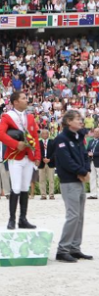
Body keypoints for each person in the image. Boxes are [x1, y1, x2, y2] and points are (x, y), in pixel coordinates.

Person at [0, 91, 41, 229]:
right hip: (16, 156)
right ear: (15, 102)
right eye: (23, 98)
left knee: (24, 188)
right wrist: (16, 144)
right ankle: (11, 219)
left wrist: (37, 156)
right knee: (15, 187)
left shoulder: (31, 118)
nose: (26, 100)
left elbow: (35, 137)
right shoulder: (8, 117)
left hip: (29, 157)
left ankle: (23, 219)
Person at [53, 110, 93, 263]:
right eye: (77, 119)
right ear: (68, 122)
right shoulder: (61, 139)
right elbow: (65, 160)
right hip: (69, 181)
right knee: (73, 215)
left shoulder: (78, 138)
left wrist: (86, 170)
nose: (80, 121)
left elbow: (83, 155)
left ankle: (75, 248)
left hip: (79, 179)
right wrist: (80, 171)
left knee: (80, 216)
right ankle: (62, 249)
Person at [38, 129, 56, 200]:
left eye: (46, 133)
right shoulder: (38, 143)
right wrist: (43, 159)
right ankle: (43, 195)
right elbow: (38, 152)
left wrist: (50, 159)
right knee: (42, 180)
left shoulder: (52, 142)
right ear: (41, 135)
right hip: (41, 163)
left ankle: (51, 195)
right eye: (43, 134)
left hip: (50, 163)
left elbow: (55, 152)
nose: (45, 135)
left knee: (51, 180)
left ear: (48, 134)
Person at [85, 128, 99, 199]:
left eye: (97, 132)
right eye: (95, 132)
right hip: (91, 161)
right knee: (92, 178)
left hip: (98, 161)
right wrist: (87, 153)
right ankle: (93, 194)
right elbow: (87, 150)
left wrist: (93, 154)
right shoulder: (90, 141)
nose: (96, 133)